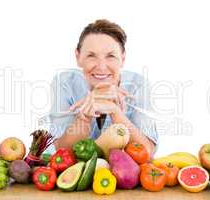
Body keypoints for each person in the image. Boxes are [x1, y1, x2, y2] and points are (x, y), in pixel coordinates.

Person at [45, 19, 158, 158]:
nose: (101, 67)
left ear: (122, 58)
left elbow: (148, 152)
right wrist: (84, 118)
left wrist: (115, 112)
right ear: (78, 57)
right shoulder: (64, 83)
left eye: (110, 56)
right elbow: (58, 152)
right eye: (91, 55)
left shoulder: (138, 85)